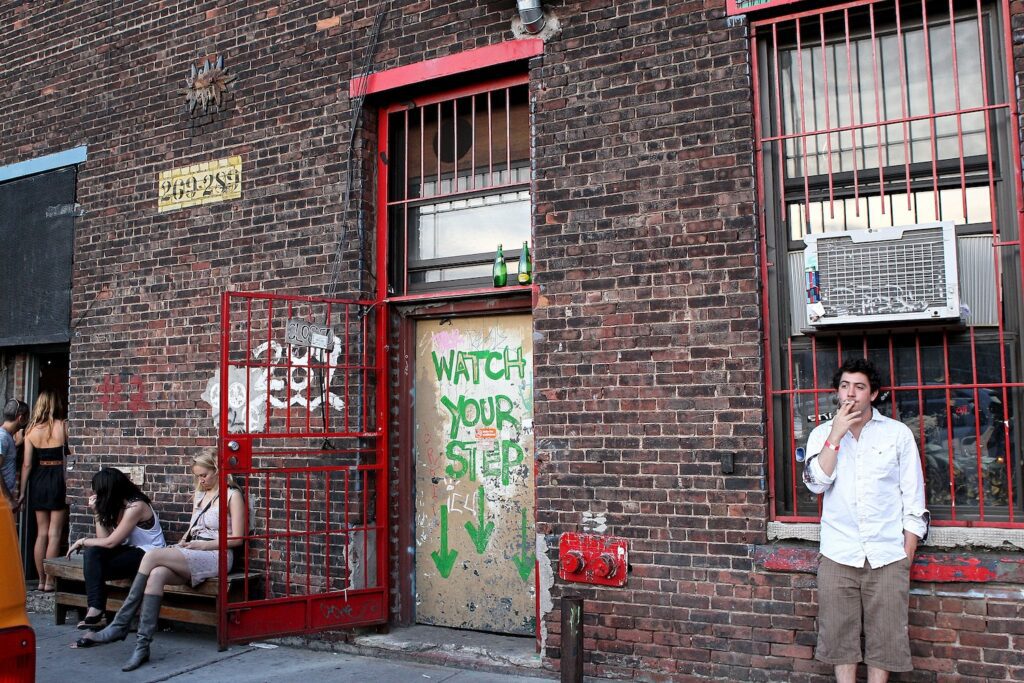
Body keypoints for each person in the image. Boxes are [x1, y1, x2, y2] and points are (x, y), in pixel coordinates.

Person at [803, 358, 929, 683]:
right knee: (839, 636)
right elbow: (816, 483)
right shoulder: (821, 434)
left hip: (887, 555)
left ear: (873, 394)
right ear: (837, 392)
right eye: (845, 386)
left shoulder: (897, 435)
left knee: (885, 638)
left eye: (859, 387)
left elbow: (913, 498)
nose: (851, 394)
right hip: (838, 553)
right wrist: (836, 435)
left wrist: (907, 553)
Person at [75, 448, 246, 672]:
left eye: (204, 475)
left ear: (217, 471)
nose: (200, 480)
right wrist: (184, 542)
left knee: (152, 555)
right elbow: (192, 529)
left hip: (217, 554)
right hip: (193, 550)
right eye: (197, 476)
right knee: (156, 574)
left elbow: (237, 539)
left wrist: (202, 545)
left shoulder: (232, 495)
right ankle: (142, 647)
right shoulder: (201, 494)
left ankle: (120, 624)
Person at [66, 467, 166, 630]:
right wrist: (97, 513)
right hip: (130, 551)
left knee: (94, 564)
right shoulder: (116, 505)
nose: (96, 495)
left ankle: (98, 612)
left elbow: (110, 543)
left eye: (99, 492)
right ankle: (96, 610)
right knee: (93, 554)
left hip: (151, 554)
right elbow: (103, 540)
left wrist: (82, 541)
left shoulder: (136, 506)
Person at [16, 391, 70, 591]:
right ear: (56, 404)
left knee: (42, 533)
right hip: (57, 479)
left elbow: (27, 465)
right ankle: (50, 581)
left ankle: (40, 580)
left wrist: (22, 492)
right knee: (55, 533)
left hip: (38, 480)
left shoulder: (30, 430)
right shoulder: (63, 426)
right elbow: (72, 456)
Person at [1, 399, 29, 507]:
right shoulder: (2, 438)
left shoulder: (6, 437)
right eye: (26, 418)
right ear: (20, 417)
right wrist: (9, 499)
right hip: (2, 499)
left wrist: (17, 444)